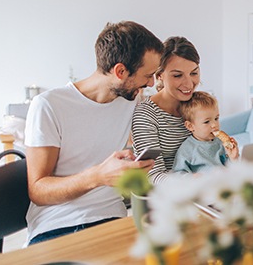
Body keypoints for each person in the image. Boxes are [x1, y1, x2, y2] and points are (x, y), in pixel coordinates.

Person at [24, 21, 164, 245]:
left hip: (112, 220)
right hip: (58, 225)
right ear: (120, 71)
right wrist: (98, 176)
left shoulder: (131, 100)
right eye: (148, 75)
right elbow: (38, 190)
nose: (151, 83)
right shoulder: (49, 105)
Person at [131, 36, 200, 184]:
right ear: (159, 75)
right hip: (168, 196)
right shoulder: (146, 115)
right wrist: (194, 180)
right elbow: (153, 175)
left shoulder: (199, 105)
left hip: (204, 191)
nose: (189, 84)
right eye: (177, 75)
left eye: (194, 73)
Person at [173, 91, 239, 175]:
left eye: (216, 118)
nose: (214, 125)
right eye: (207, 122)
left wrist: (233, 158)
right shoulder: (187, 149)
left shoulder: (220, 142)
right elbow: (177, 174)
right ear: (190, 126)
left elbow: (231, 168)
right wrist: (192, 177)